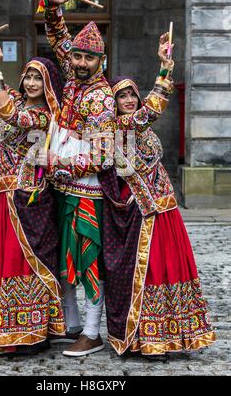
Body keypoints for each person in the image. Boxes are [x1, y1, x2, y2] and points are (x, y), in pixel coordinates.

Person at [107, 32, 216, 356]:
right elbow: (151, 110)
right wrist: (165, 70)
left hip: (165, 209)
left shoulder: (143, 129)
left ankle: (174, 335)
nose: (128, 100)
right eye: (121, 96)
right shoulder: (122, 126)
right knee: (151, 272)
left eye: (131, 95)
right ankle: (147, 338)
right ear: (114, 103)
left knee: (172, 272)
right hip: (144, 213)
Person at [0, 33, 66, 355]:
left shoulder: (44, 115)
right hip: (4, 194)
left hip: (29, 197)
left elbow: (13, 116)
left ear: (49, 82)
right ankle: (7, 329)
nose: (32, 82)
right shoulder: (15, 98)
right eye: (28, 76)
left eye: (39, 77)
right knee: (5, 260)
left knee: (26, 261)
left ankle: (34, 332)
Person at [42, 0, 117, 356]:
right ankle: (72, 325)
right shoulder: (72, 79)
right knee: (63, 259)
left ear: (100, 61)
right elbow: (58, 39)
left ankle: (92, 330)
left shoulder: (102, 97)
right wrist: (53, 8)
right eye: (78, 57)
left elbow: (105, 155)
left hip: (87, 191)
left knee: (88, 259)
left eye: (89, 58)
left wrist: (63, 166)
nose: (81, 63)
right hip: (62, 188)